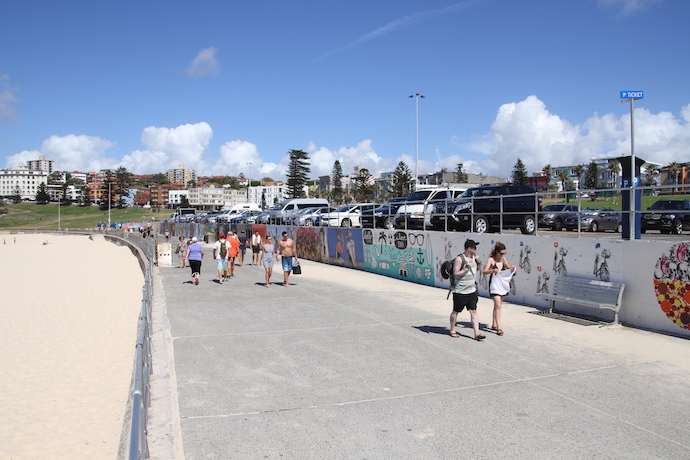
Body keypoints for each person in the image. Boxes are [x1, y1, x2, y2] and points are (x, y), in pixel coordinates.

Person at [449, 239, 485, 341]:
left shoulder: (474, 258)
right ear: (469, 248)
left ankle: (476, 333)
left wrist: (478, 262)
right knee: (456, 311)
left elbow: (477, 269)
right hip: (460, 291)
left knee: (473, 311)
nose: (476, 249)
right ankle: (452, 330)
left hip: (472, 290)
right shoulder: (459, 259)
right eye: (474, 248)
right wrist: (465, 269)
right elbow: (455, 274)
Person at [482, 241, 515, 336]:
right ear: (496, 252)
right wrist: (493, 270)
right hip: (494, 285)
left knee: (498, 305)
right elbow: (484, 272)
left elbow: (508, 267)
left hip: (502, 285)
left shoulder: (503, 260)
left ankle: (494, 324)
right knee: (498, 305)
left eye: (504, 253)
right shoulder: (491, 260)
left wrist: (512, 268)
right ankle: (499, 327)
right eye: (501, 253)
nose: (502, 255)